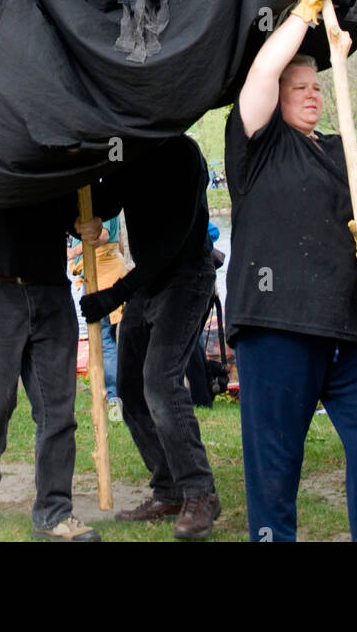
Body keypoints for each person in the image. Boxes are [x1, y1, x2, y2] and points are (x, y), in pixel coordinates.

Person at [225, 0, 357, 542]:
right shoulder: (258, 143)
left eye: (318, 87)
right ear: (278, 96)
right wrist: (302, 15)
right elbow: (258, 77)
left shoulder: (343, 148)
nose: (313, 95)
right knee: (275, 466)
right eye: (299, 87)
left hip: (351, 330)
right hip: (277, 325)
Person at [80, 136, 220, 540]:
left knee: (160, 381)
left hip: (187, 277)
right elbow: (104, 201)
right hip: (148, 283)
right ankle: (170, 490)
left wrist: (113, 295)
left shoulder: (183, 153)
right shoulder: (128, 151)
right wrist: (83, 210)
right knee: (129, 390)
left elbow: (167, 246)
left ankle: (200, 492)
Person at [0, 196, 101, 542]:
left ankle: (54, 512)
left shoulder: (59, 149)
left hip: (50, 288)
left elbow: (78, 203)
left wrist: (88, 220)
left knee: (58, 411)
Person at [68, 216, 126, 420]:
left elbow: (103, 235)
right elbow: (119, 241)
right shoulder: (110, 206)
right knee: (110, 338)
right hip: (110, 271)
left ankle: (113, 402)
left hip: (102, 275)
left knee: (105, 339)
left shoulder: (99, 203)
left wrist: (72, 252)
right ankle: (113, 395)